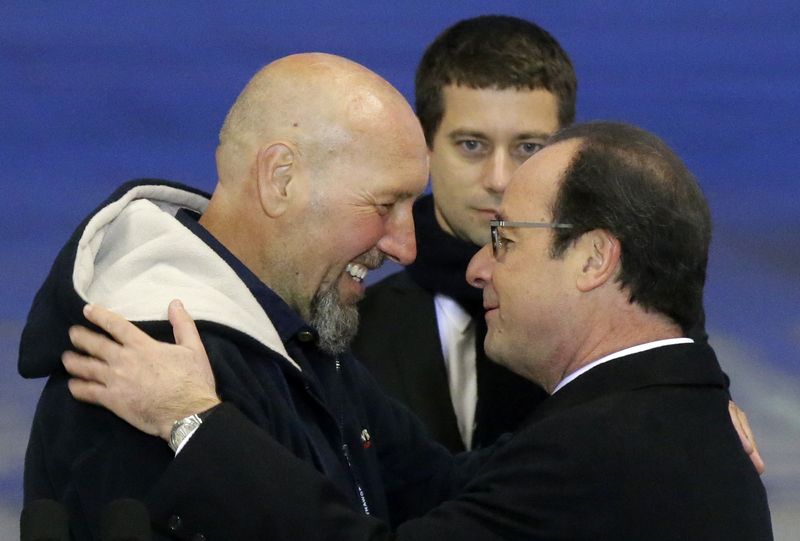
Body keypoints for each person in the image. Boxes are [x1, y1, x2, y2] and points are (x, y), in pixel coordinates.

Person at [62, 121, 773, 540]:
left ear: (593, 258)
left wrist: (194, 419)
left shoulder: (612, 446)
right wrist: (323, 360)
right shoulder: (660, 413)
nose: (477, 270)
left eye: (503, 240)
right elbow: (449, 481)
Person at [19, 53, 484, 539]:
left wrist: (570, 423)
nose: (406, 247)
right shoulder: (141, 365)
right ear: (280, 178)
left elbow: (448, 488)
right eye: (385, 205)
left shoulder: (294, 332)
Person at [352, 15, 709, 452]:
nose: (499, 178)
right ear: (424, 145)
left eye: (528, 148)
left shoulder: (636, 330)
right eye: (471, 145)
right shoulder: (350, 334)